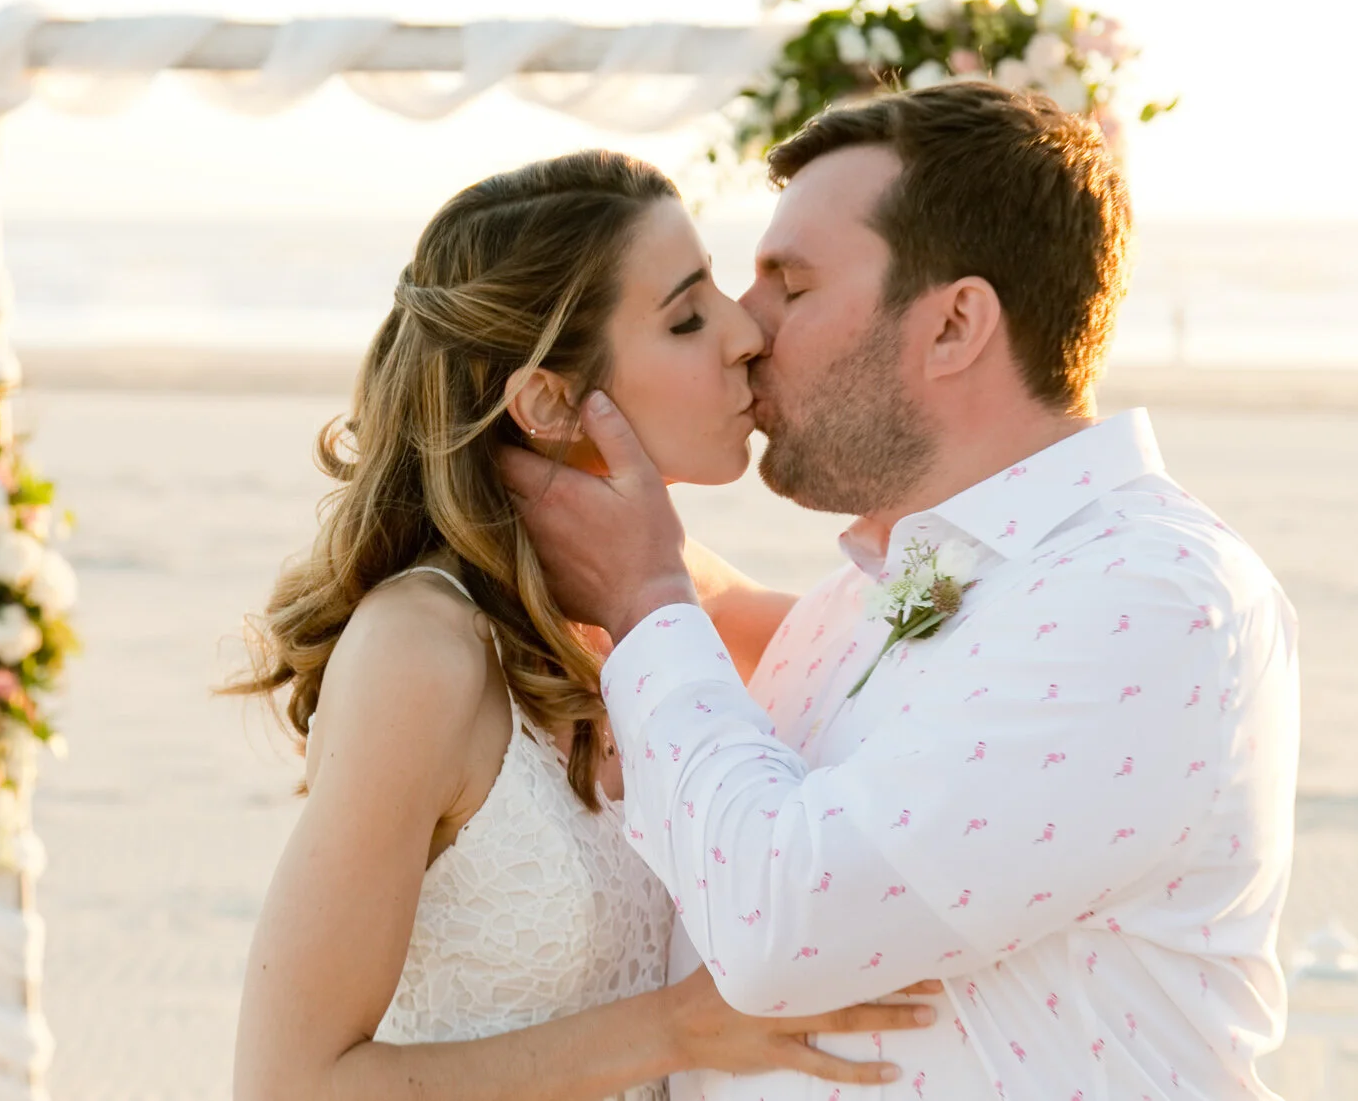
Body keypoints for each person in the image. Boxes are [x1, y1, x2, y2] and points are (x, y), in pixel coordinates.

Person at [503, 82, 1302, 1099]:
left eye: (790, 285)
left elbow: (779, 928)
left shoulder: (1153, 600)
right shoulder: (872, 590)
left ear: (954, 324)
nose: (744, 328)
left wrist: (647, 593)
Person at [226, 151, 937, 1101]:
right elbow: (290, 1083)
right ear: (549, 401)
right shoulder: (420, 652)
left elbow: (906, 659)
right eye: (686, 318)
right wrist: (679, 1028)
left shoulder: (665, 593)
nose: (745, 334)